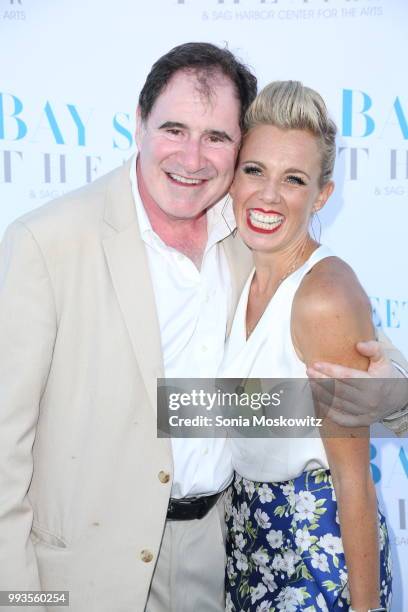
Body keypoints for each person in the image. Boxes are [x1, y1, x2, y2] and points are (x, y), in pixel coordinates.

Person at [0, 43, 405, 612]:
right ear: (138, 124)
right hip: (89, 570)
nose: (192, 158)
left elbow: (363, 372)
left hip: (222, 554)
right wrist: (17, 602)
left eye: (216, 137)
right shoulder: (49, 241)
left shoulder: (252, 233)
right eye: (174, 128)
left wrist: (392, 394)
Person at [221, 81, 392, 611]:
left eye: (293, 180)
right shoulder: (233, 268)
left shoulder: (323, 297)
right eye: (255, 170)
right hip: (244, 537)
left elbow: (353, 479)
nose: (268, 196)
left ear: (321, 195)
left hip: (318, 550)